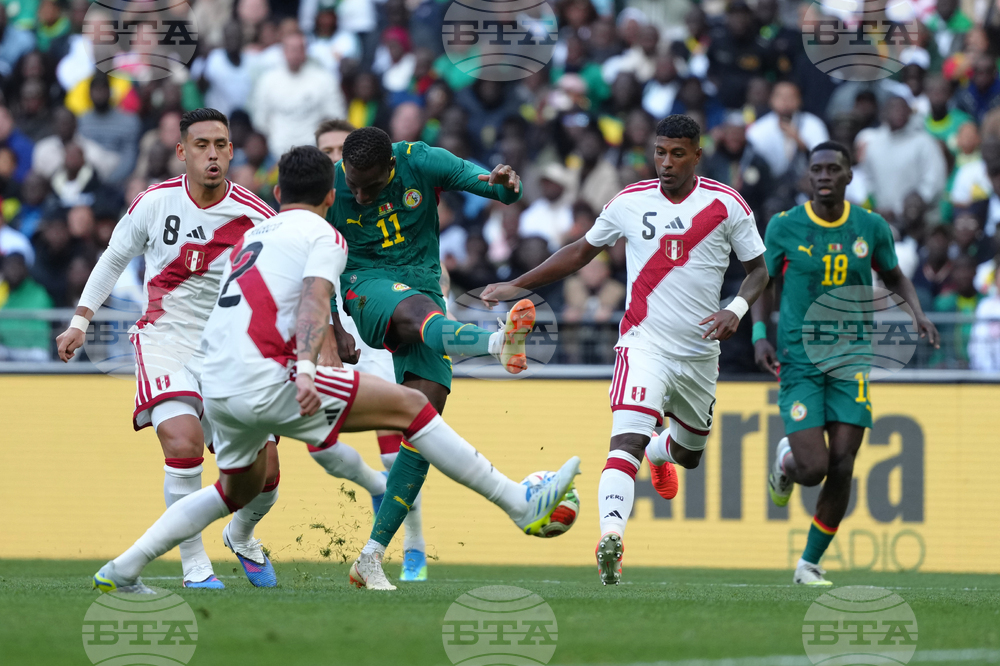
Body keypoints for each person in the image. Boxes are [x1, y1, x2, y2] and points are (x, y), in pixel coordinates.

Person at [90, 145, 581, 594]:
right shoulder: (326, 236)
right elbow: (313, 303)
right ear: (332, 195)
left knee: (230, 490)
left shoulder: (250, 235)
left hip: (219, 387)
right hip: (271, 377)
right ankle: (520, 504)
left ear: (278, 193)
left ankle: (124, 568)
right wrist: (305, 368)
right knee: (413, 407)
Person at [482, 115, 771, 585]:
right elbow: (579, 252)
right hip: (644, 344)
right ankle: (610, 539)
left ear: (697, 155)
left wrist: (736, 309)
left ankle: (662, 454)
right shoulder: (629, 202)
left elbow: (759, 271)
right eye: (660, 152)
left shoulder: (727, 204)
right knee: (625, 442)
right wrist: (518, 285)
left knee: (690, 453)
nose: (666, 162)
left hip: (699, 353)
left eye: (678, 153)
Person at [55, 109, 282, 590]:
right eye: (201, 145)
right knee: (182, 443)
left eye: (221, 144)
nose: (213, 154)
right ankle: (194, 566)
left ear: (232, 151)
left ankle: (241, 535)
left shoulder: (257, 216)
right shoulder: (154, 203)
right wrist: (81, 320)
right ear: (182, 151)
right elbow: (114, 257)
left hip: (231, 349)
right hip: (165, 339)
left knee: (265, 479)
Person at [325, 126, 535, 588]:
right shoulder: (332, 187)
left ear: (392, 167)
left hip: (422, 283)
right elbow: (310, 267)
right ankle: (497, 344)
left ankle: (371, 557)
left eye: (370, 185)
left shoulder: (421, 160)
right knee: (417, 312)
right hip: (366, 285)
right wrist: (333, 326)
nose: (358, 194)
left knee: (424, 423)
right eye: (353, 183)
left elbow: (493, 188)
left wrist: (504, 185)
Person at [751, 141, 939, 586]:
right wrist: (760, 336)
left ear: (849, 176)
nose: (823, 176)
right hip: (798, 359)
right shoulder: (784, 227)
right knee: (813, 468)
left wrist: (918, 312)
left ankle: (808, 564)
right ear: (807, 176)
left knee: (843, 463)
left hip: (851, 360)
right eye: (816, 169)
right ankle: (786, 465)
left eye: (833, 169)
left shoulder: (870, 227)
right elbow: (762, 281)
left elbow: (894, 274)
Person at [312, 118, 429, 582]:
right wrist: (325, 331)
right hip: (329, 328)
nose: (335, 160)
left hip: (375, 323)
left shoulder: (377, 200)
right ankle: (380, 489)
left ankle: (414, 547)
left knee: (396, 440)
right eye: (327, 152)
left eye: (341, 150)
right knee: (318, 445)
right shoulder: (313, 213)